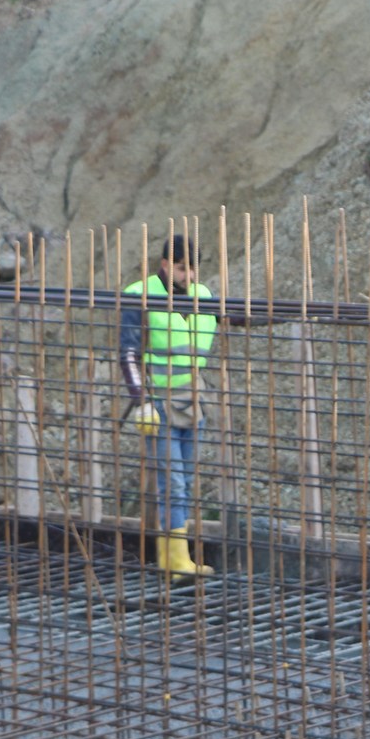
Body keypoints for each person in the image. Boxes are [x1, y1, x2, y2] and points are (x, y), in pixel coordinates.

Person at [121, 234, 220, 578]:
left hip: (193, 402)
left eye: (192, 269)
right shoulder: (140, 294)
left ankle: (172, 557)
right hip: (159, 405)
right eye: (181, 268)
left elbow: (236, 316)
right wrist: (141, 401)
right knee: (172, 482)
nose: (188, 276)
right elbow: (128, 353)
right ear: (165, 265)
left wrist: (286, 314)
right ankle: (176, 560)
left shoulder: (203, 295)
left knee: (185, 481)